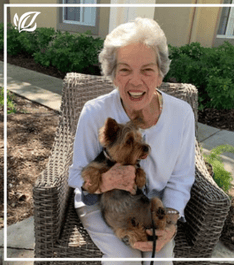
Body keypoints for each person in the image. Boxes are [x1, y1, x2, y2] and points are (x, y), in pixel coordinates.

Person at [68, 17, 195, 264]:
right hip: (102, 205)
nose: (136, 81)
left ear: (160, 75)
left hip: (150, 205)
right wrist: (103, 180)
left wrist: (169, 219)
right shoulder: (94, 112)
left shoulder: (181, 114)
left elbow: (181, 178)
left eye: (147, 70)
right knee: (125, 257)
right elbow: (75, 175)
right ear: (113, 76)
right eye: (125, 69)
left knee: (159, 257)